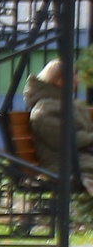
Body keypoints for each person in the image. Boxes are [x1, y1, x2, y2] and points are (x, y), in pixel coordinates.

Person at [26, 58, 93, 196]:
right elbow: (65, 139)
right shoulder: (44, 109)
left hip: (81, 157)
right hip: (64, 163)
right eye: (73, 77)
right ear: (57, 80)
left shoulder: (69, 104)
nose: (77, 81)